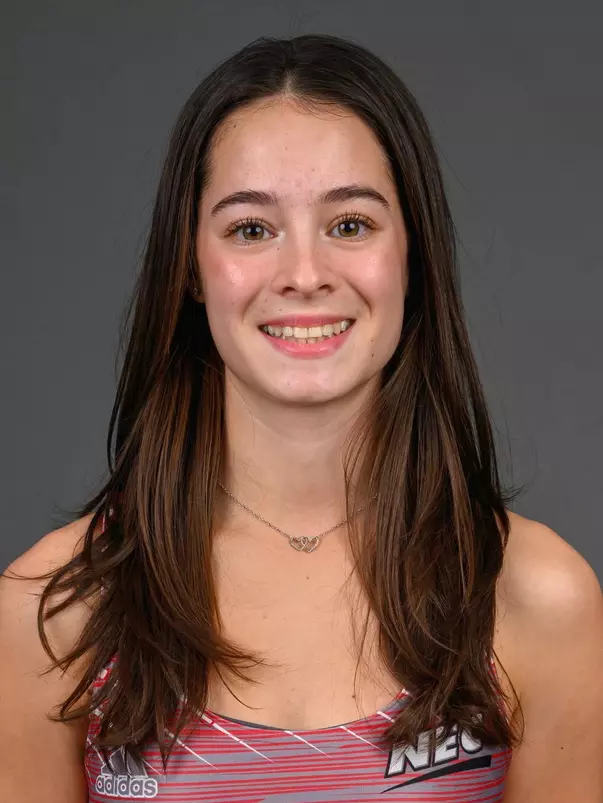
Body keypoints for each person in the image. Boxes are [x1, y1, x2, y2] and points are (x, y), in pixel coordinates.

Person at [1, 33, 602, 803]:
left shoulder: (532, 597)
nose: (305, 275)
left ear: (411, 255)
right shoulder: (56, 607)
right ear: (190, 266)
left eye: (349, 224)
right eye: (251, 228)